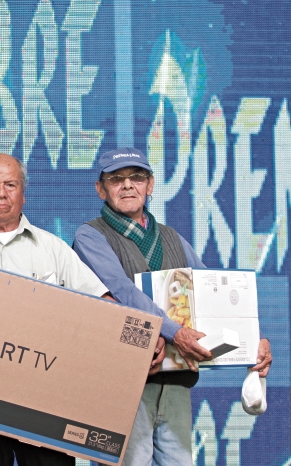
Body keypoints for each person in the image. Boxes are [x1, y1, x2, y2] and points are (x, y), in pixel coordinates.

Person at [72, 147, 272, 465]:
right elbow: (122, 292)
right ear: (100, 189)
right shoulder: (90, 236)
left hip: (175, 382)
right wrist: (174, 332)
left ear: (150, 185)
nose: (127, 185)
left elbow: (215, 292)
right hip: (122, 382)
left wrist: (253, 339)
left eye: (136, 177)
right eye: (115, 178)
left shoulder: (172, 238)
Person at [0, 153, 115, 466]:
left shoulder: (53, 249)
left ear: (23, 194)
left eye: (10, 184)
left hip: (45, 400)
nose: (1, 193)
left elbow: (104, 307)